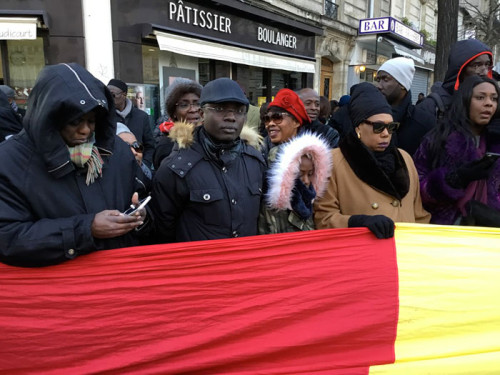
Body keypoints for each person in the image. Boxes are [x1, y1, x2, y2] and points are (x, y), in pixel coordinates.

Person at [0, 63, 148, 267]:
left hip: (119, 280)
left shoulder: (116, 152)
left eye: (92, 120)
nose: (85, 131)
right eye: (74, 122)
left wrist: (140, 216)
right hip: (59, 291)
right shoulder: (9, 162)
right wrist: (86, 229)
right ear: (48, 119)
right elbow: (8, 237)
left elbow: (146, 201)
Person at [150, 78, 266, 243]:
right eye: (220, 109)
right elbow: (163, 232)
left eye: (239, 111)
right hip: (199, 266)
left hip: (246, 265)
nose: (231, 117)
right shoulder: (176, 168)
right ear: (202, 114)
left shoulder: (255, 161)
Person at [314, 82, 430, 239]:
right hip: (362, 253)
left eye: (391, 127)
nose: (385, 134)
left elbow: (419, 215)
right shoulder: (333, 161)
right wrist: (358, 222)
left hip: (403, 252)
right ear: (358, 127)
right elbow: (324, 218)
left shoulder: (405, 158)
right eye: (378, 127)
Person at [413, 76, 500, 226]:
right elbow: (417, 189)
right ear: (465, 101)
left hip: (491, 234)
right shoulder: (440, 138)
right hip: (446, 231)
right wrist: (454, 179)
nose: (488, 103)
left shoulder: (495, 141)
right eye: (480, 97)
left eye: (494, 99)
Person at [409, 39, 494, 151]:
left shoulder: (489, 105)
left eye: (487, 64)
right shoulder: (431, 107)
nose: (483, 71)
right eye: (476, 65)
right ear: (460, 69)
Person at [259, 130, 331, 233]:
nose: (306, 181)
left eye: (310, 174)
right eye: (300, 174)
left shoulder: (313, 202)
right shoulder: (272, 211)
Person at [153, 78, 203, 169]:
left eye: (197, 103)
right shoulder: (167, 147)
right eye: (184, 105)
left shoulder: (214, 138)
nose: (193, 109)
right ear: (174, 113)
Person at [375, 57, 420, 155]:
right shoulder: (370, 116)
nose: (379, 85)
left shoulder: (422, 122)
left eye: (385, 79)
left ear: (403, 84)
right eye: (378, 80)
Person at [108, 79, 155, 168]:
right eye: (107, 95)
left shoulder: (141, 117)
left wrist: (145, 165)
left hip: (139, 169)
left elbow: (150, 146)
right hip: (114, 170)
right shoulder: (105, 116)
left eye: (112, 95)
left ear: (124, 95)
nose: (109, 98)